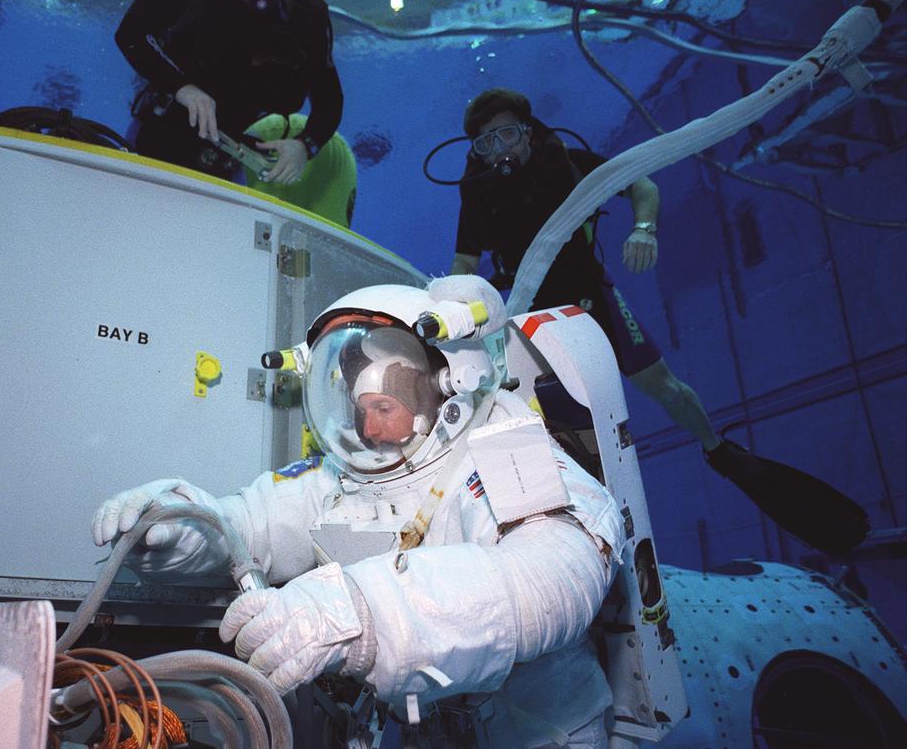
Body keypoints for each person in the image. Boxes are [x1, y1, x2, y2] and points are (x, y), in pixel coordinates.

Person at [93, 275, 624, 747]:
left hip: (533, 729)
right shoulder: (342, 475)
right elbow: (248, 528)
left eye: (384, 409)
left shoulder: (500, 442)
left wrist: (368, 612)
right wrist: (180, 528)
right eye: (359, 410)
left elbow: (555, 573)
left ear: (440, 391)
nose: (367, 430)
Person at [450, 87, 867, 556]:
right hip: (534, 318)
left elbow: (643, 185)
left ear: (527, 133)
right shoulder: (480, 194)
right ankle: (567, 521)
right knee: (553, 419)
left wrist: (644, 229)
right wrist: (453, 308)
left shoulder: (568, 163)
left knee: (663, 385)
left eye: (505, 133)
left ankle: (718, 449)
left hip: (593, 297)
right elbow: (465, 262)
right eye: (485, 143)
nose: (498, 149)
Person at [115, 0, 342, 184]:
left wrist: (304, 146)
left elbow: (330, 100)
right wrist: (181, 87)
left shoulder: (307, 16)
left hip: (231, 157)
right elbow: (130, 33)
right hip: (158, 131)